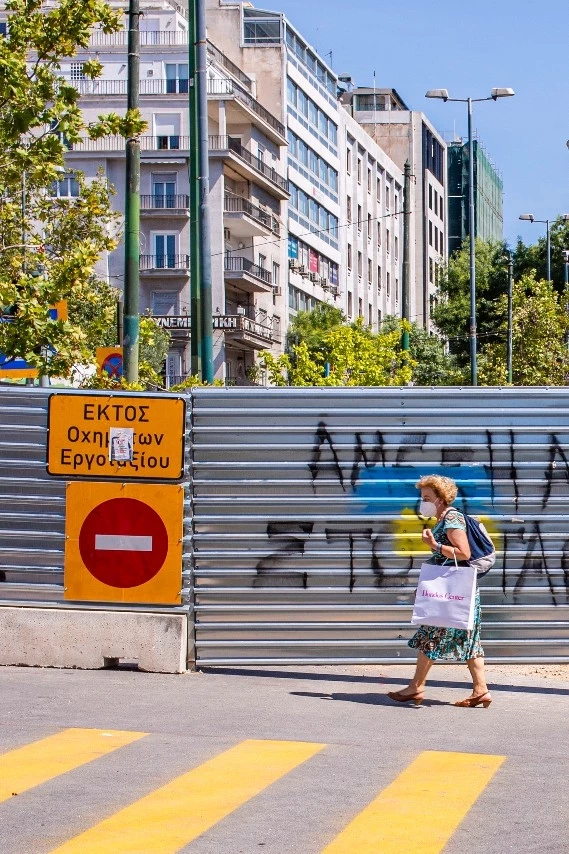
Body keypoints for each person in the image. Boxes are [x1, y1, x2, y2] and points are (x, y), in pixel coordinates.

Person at [387, 475, 492, 708]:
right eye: (422, 497)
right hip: (455, 591)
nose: (422, 502)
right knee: (468, 638)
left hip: (452, 592)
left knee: (431, 635)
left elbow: (463, 553)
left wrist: (434, 546)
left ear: (441, 498)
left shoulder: (452, 517)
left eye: (427, 497)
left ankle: (416, 687)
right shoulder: (443, 518)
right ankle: (481, 690)